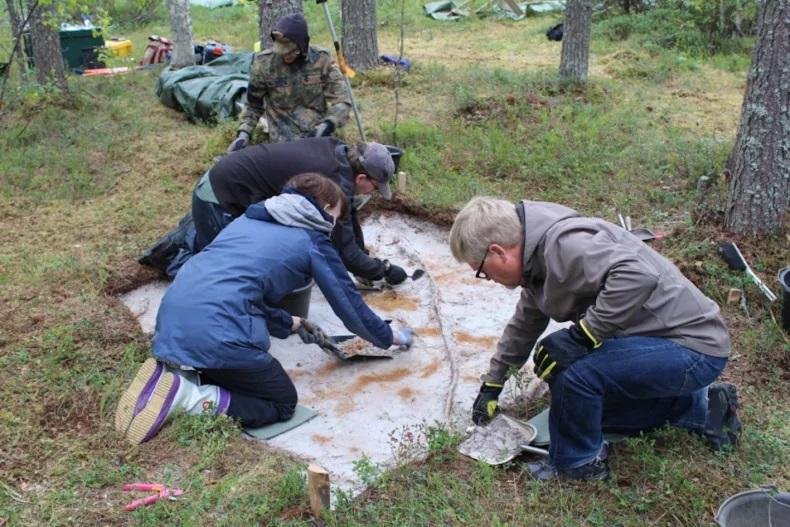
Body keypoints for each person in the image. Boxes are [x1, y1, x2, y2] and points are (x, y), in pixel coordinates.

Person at [449, 197, 741, 481]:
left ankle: (577, 465)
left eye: (482, 271)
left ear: (499, 252)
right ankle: (700, 408)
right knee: (576, 412)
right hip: (660, 343)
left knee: (575, 375)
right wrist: (493, 383)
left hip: (692, 348)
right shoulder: (536, 261)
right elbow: (525, 324)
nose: (489, 278)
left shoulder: (567, 245)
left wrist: (582, 336)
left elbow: (639, 275)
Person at [115, 173, 414, 444]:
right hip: (218, 333)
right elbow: (350, 308)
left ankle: (177, 380)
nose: (334, 225)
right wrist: (389, 337)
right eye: (334, 217)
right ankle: (191, 398)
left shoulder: (247, 221)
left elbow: (236, 290)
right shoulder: (313, 240)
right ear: (324, 209)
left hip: (172, 319)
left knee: (231, 365)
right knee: (280, 403)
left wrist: (288, 323)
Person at [192, 137, 408, 285]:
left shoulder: (338, 152)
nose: (376, 192)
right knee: (228, 272)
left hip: (231, 182)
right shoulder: (331, 184)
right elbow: (345, 251)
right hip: (220, 197)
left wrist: (365, 259)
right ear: (361, 178)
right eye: (376, 187)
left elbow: (348, 219)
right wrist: (384, 270)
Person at [227, 12, 351, 152]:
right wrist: (243, 133)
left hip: (318, 138)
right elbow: (253, 105)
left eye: (290, 53)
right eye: (282, 53)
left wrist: (327, 125)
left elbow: (342, 101)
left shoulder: (322, 60)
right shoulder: (264, 63)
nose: (285, 57)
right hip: (282, 143)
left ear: (302, 47)